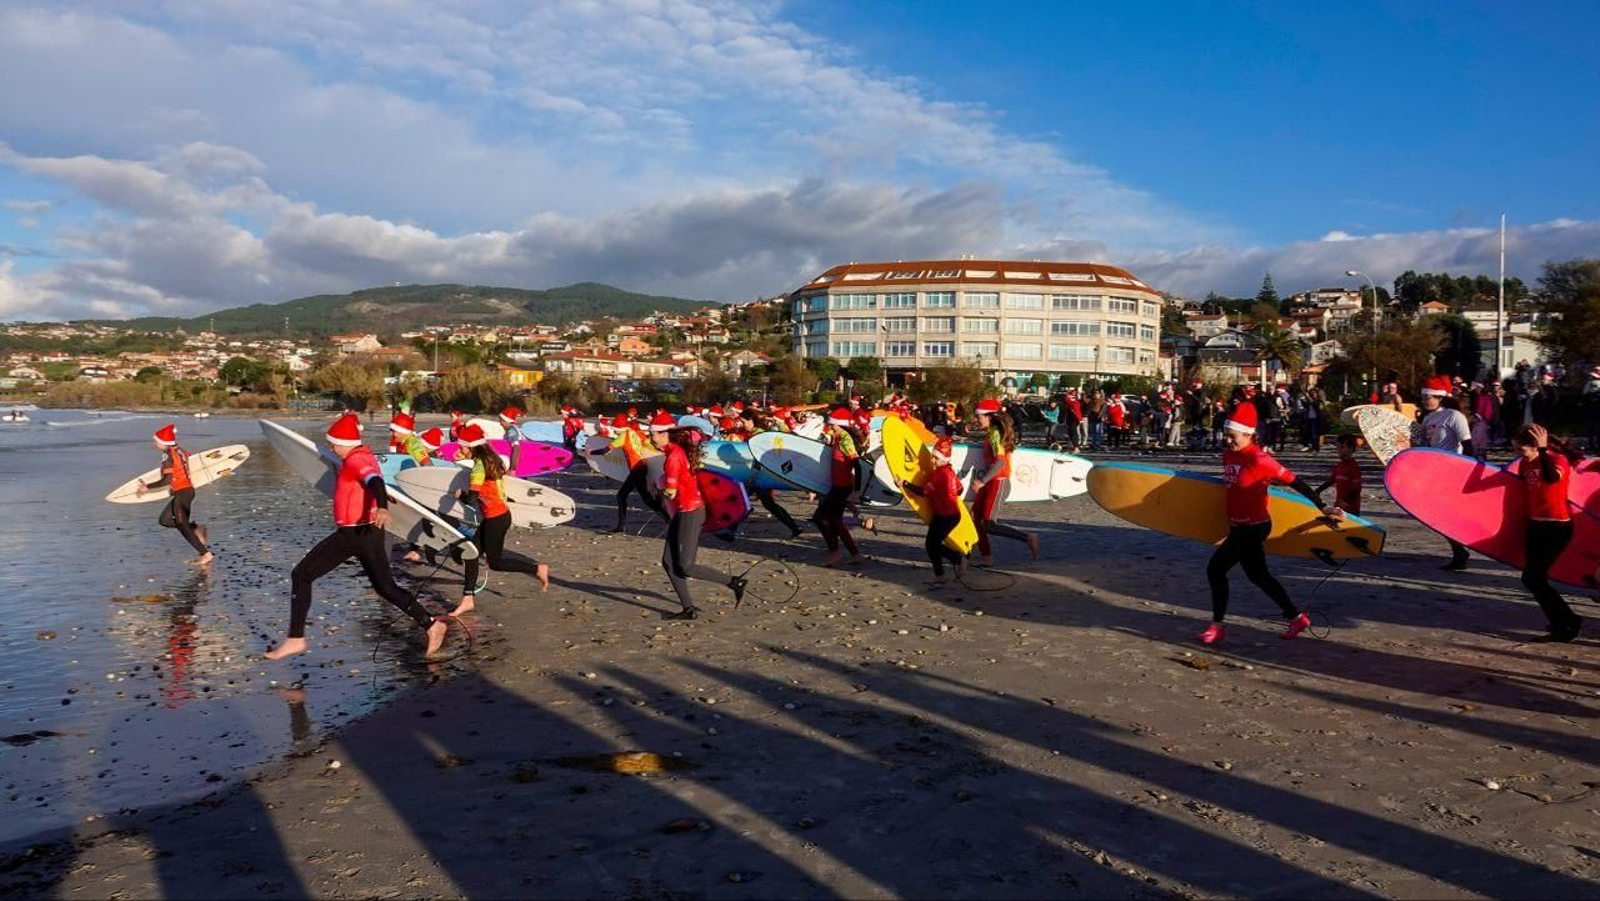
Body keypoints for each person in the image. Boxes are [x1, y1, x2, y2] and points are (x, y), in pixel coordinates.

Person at [265, 413, 448, 660]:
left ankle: (295, 638)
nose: (331, 448)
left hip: (353, 533)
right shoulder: (365, 455)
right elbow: (374, 479)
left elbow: (375, 483)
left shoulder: (355, 461)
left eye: (334, 444)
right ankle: (432, 625)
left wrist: (382, 505)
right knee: (385, 587)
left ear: (344, 443)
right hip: (369, 532)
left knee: (301, 575)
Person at [1199, 402, 1342, 644]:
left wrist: (1323, 506)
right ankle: (1296, 617)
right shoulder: (1228, 455)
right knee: (1258, 576)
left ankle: (1217, 625)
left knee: (1216, 569)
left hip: (1254, 527)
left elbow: (1296, 482)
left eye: (1233, 437)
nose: (1229, 441)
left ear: (1248, 434)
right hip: (1237, 525)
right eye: (1226, 436)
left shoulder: (1260, 459)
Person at [649, 411, 747, 620]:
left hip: (691, 512)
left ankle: (734, 582)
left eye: (654, 434)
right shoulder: (674, 452)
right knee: (668, 561)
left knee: (685, 566)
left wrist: (658, 488)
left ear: (666, 433)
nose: (652, 439)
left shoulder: (674, 457)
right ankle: (688, 609)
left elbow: (671, 492)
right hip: (684, 512)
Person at [452, 424, 550, 616]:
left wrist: (459, 496)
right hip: (496, 516)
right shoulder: (490, 458)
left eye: (462, 446)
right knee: (471, 554)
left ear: (471, 446)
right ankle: (467, 599)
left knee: (495, 562)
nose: (460, 449)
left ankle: (537, 569)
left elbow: (472, 500)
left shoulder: (479, 467)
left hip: (496, 518)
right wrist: (462, 458)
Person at [1510, 425, 1585, 641]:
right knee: (1533, 578)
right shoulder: (1524, 463)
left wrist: (1543, 451)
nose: (1517, 452)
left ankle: (1568, 621)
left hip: (1557, 527)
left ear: (1535, 445)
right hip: (1535, 526)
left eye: (1521, 448)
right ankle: (1564, 622)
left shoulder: (1556, 459)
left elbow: (1552, 479)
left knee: (1533, 579)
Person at [970, 398, 1041, 566]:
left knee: (989, 525)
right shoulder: (992, 432)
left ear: (989, 417)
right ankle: (986, 558)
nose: (976, 419)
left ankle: (1027, 537)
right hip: (990, 482)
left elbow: (1000, 462)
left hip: (998, 482)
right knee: (975, 519)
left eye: (978, 416)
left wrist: (981, 481)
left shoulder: (995, 433)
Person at [1420, 375, 1476, 570]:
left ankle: (1464, 549)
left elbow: (1468, 446)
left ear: (1440, 397)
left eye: (1431, 397)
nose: (1427, 400)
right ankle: (1459, 551)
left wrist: (1471, 473)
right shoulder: (1427, 418)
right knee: (1437, 516)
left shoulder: (1454, 416)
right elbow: (1424, 447)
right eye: (1425, 397)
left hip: (1454, 472)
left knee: (1450, 514)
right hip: (1434, 473)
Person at [137, 423, 213, 566]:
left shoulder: (167, 455)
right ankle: (196, 529)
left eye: (156, 441)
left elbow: (167, 479)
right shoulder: (181, 450)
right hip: (185, 492)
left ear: (163, 442)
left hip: (183, 492)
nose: (155, 444)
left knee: (181, 523)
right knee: (165, 520)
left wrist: (147, 487)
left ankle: (205, 554)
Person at [898, 435, 968, 588]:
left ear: (944, 459)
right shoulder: (950, 471)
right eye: (933, 457)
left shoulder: (941, 474)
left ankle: (956, 561)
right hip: (949, 514)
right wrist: (944, 495)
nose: (933, 461)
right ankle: (943, 572)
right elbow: (960, 490)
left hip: (946, 516)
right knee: (932, 544)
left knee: (932, 545)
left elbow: (923, 492)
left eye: (936, 458)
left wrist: (905, 484)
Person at [815, 408, 863, 566]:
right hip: (836, 486)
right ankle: (853, 554)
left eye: (832, 425)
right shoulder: (838, 438)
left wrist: (856, 492)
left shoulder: (846, 440)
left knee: (823, 518)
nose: (830, 428)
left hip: (842, 487)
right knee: (831, 520)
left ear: (840, 425)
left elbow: (858, 465)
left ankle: (835, 551)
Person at [606, 412, 667, 533]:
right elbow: (648, 445)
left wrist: (589, 453)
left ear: (619, 428)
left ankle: (669, 519)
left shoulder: (623, 436)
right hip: (641, 467)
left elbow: (605, 450)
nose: (614, 433)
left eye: (615, 430)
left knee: (632, 497)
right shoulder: (636, 432)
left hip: (637, 469)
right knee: (635, 497)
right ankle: (621, 526)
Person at [1315, 433, 1363, 515]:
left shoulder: (1353, 467)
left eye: (1342, 447)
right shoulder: (1339, 466)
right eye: (1338, 447)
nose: (1338, 450)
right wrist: (1317, 491)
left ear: (1351, 449)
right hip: (1338, 505)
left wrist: (1346, 502)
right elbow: (1331, 481)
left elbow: (1357, 489)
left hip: (1351, 508)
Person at [499, 406, 524, 473]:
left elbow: (516, 448)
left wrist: (513, 469)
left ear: (507, 420)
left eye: (501, 421)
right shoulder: (511, 430)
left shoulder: (512, 432)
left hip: (518, 464)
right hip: (516, 463)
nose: (500, 423)